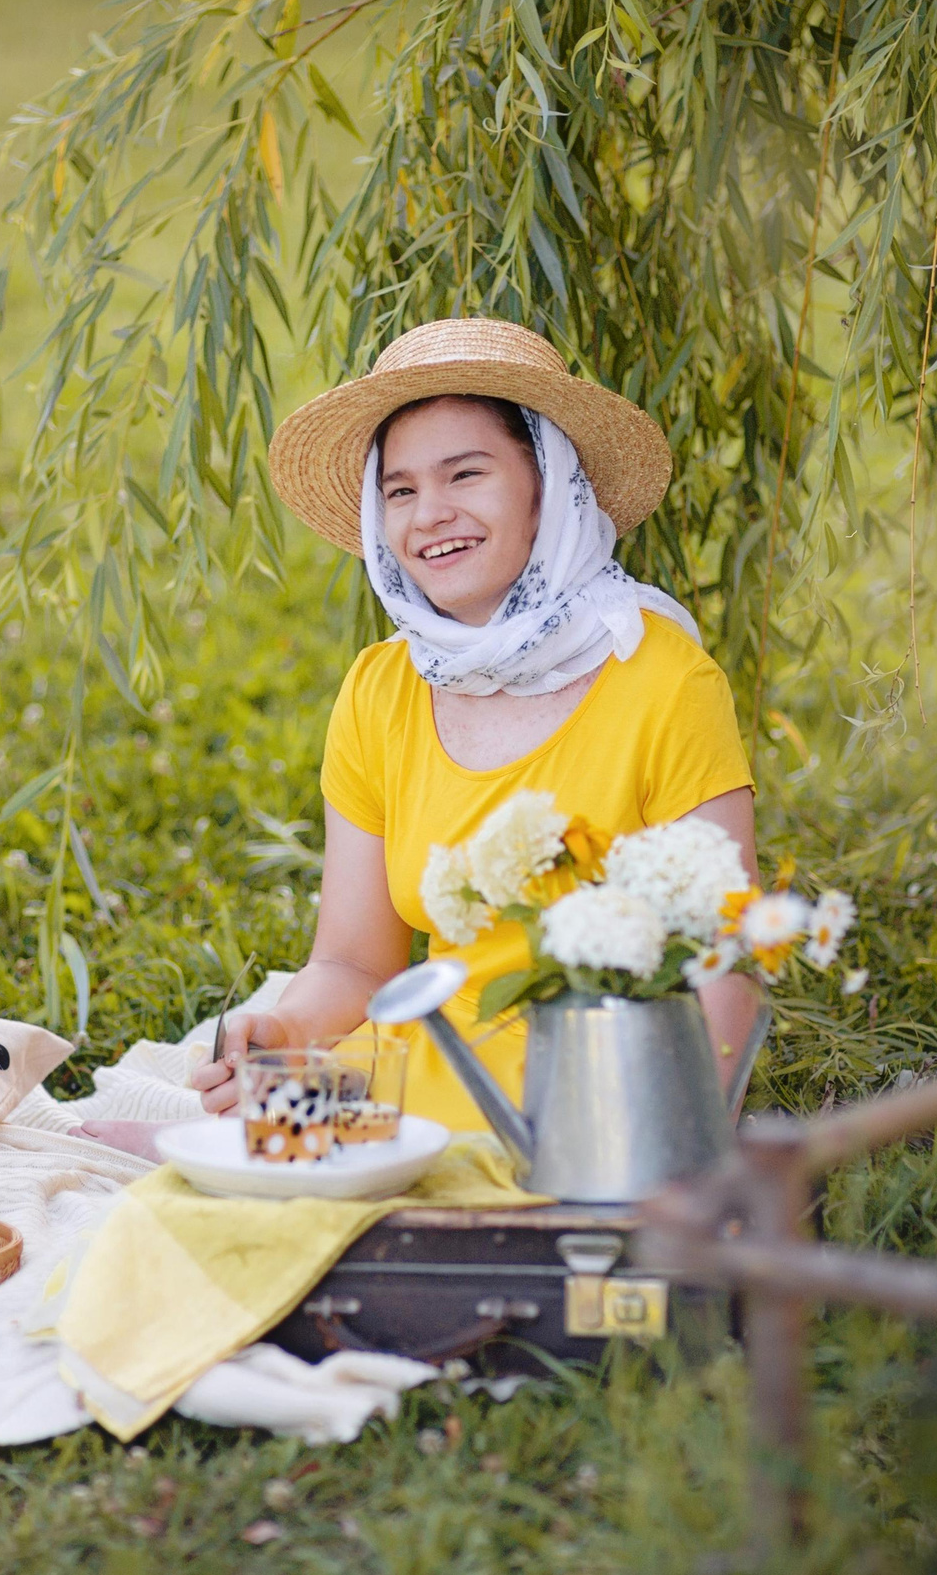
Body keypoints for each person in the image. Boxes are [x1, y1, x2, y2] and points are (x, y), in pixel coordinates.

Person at [77, 319, 756, 1154]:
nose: (430, 515)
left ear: (548, 487)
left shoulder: (663, 682)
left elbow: (726, 969)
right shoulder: (382, 688)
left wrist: (674, 1160)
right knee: (172, 1179)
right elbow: (358, 965)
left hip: (589, 1102)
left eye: (466, 473)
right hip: (400, 1089)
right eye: (399, 490)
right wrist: (283, 1028)